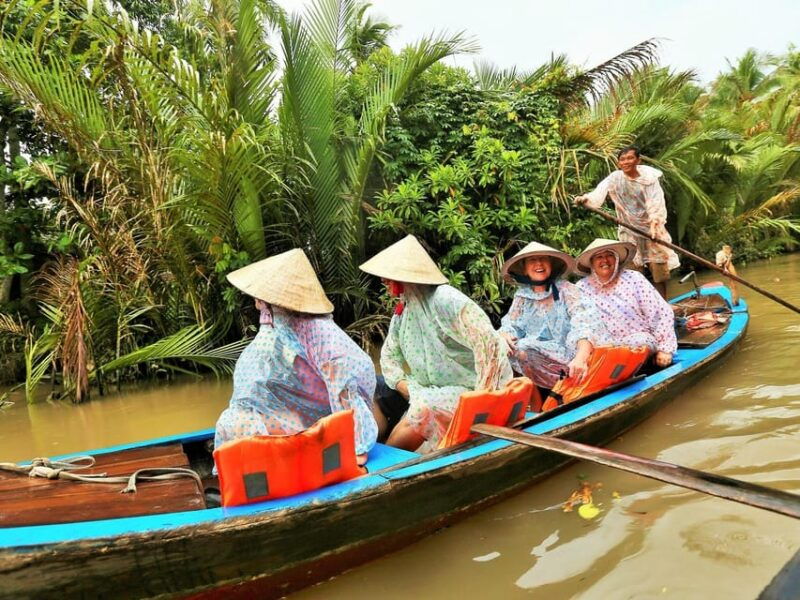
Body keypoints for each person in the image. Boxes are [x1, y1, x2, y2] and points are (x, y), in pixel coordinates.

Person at [214, 249, 378, 464]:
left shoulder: (319, 332)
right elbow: (258, 373)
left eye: (259, 297)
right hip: (302, 413)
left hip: (327, 415)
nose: (255, 302)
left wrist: (356, 444)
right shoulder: (277, 326)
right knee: (234, 423)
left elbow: (344, 386)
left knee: (241, 424)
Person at [360, 235, 513, 452]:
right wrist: (406, 387)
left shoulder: (445, 298)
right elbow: (388, 357)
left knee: (422, 410)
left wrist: (480, 398)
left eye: (388, 276)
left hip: (472, 389)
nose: (383, 281)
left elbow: (489, 344)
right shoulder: (403, 312)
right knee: (379, 386)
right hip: (430, 388)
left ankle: (388, 467)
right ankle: (377, 453)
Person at [498, 241, 607, 391]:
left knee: (524, 346)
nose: (539, 264)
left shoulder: (567, 290)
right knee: (505, 345)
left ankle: (569, 384)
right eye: (532, 260)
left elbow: (585, 323)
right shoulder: (522, 296)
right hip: (542, 363)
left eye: (543, 259)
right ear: (524, 269)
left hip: (575, 357)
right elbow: (511, 325)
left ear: (551, 264)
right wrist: (504, 335)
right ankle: (538, 394)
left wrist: (581, 358)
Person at [575, 146, 680, 299]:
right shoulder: (615, 179)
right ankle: (640, 304)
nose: (626, 162)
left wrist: (654, 226)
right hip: (628, 228)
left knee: (658, 271)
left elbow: (655, 203)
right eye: (622, 159)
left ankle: (663, 304)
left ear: (638, 160)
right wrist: (586, 199)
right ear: (618, 163)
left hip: (652, 229)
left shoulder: (649, 179)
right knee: (633, 270)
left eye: (630, 158)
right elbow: (598, 193)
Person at [575, 238, 677, 368]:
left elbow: (660, 313)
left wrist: (665, 349)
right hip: (603, 349)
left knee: (641, 341)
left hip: (639, 343)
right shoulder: (581, 288)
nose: (605, 260)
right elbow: (580, 325)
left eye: (609, 255)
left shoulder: (633, 278)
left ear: (616, 259)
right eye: (599, 257)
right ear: (592, 263)